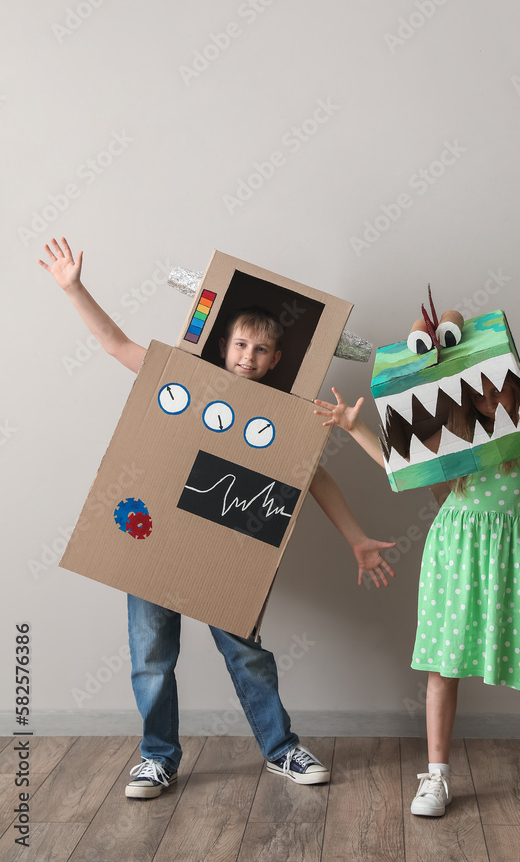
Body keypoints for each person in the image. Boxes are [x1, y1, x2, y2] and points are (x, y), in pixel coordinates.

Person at [39, 237, 397, 798]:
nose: (247, 357)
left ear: (277, 360)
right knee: (150, 660)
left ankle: (281, 749)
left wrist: (355, 539)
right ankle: (158, 757)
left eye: (260, 350)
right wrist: (74, 288)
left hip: (229, 554)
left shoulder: (289, 416)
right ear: (223, 345)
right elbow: (115, 345)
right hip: (154, 543)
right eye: (240, 345)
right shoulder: (179, 378)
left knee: (248, 655)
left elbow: (316, 478)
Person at [315, 268, 520, 816]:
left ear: (512, 382)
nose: (490, 398)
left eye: (497, 385)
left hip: (514, 563)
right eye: (478, 393)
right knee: (442, 666)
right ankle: (437, 776)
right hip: (454, 558)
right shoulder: (461, 448)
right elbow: (400, 467)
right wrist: (355, 429)